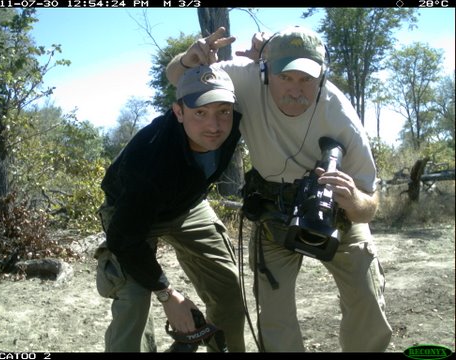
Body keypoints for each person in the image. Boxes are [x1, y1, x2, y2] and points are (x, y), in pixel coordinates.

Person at [166, 26, 392, 352]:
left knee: (367, 300)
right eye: (285, 77)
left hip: (335, 212)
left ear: (323, 77)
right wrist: (188, 58)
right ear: (266, 71)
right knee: (274, 318)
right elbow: (178, 78)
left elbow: (370, 205)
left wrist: (354, 200)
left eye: (306, 78)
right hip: (273, 211)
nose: (295, 89)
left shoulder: (341, 118)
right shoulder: (243, 79)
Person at [95, 64, 246, 352]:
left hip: (187, 203)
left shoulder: (235, 121)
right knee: (135, 296)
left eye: (222, 111)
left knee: (228, 288)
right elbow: (124, 239)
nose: (214, 126)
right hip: (133, 213)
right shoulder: (148, 166)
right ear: (178, 112)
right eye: (200, 112)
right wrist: (168, 294)